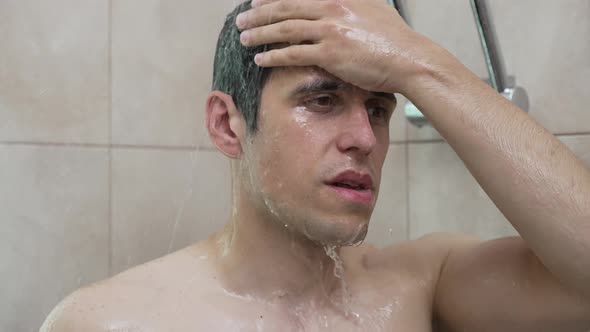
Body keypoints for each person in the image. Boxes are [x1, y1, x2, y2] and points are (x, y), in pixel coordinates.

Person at [41, 0, 590, 331]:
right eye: (321, 101)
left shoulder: (422, 289)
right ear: (228, 125)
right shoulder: (108, 322)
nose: (363, 139)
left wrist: (421, 66)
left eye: (378, 109)